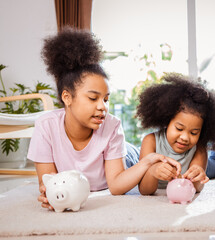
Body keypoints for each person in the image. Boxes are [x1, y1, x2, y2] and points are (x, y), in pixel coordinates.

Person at [27, 27, 179, 210]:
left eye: (106, 99)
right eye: (93, 98)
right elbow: (49, 181)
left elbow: (115, 186)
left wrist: (146, 161)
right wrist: (50, 195)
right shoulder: (45, 127)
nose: (102, 107)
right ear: (67, 98)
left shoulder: (112, 125)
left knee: (186, 162)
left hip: (132, 159)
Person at [136, 73, 215, 194]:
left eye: (194, 132)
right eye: (179, 129)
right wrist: (153, 171)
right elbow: (144, 190)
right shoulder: (150, 141)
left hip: (212, 165)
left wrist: (197, 174)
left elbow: (196, 188)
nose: (185, 138)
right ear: (166, 121)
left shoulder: (199, 147)